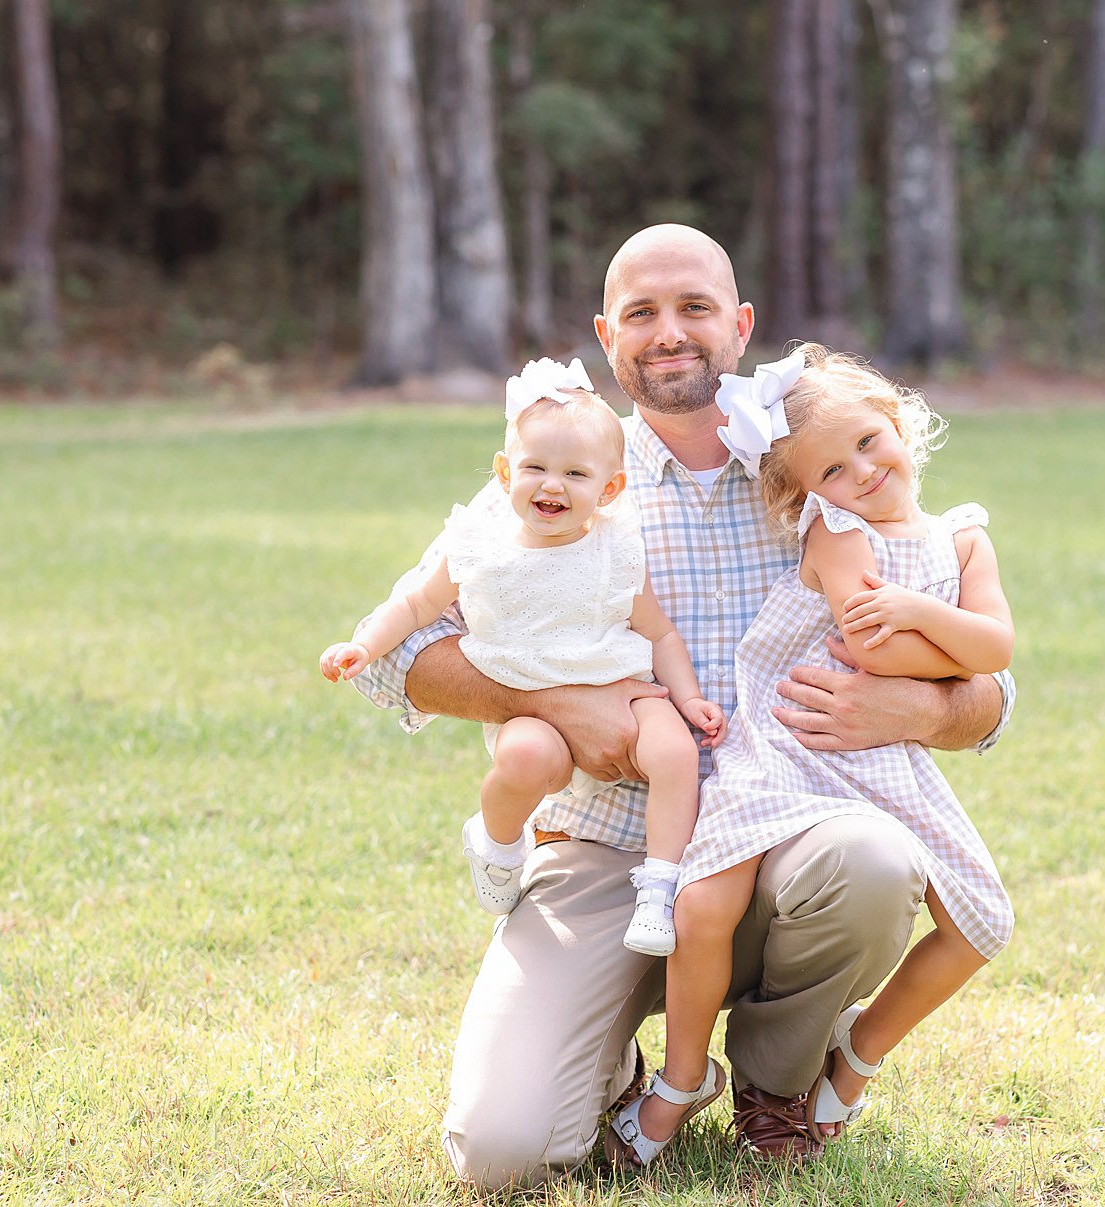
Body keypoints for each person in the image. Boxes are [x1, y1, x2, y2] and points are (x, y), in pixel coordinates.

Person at [349, 224, 1016, 1186]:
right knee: (503, 1155)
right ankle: (613, 1054)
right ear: (606, 336)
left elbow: (988, 685)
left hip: (789, 830)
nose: (670, 332)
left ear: (739, 326)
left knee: (871, 861)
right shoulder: (565, 468)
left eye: (694, 307)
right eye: (642, 313)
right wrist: (553, 703)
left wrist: (917, 711)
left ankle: (777, 1082)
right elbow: (403, 651)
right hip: (609, 843)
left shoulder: (813, 466)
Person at [605, 344, 1014, 1166]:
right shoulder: (836, 531)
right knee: (702, 904)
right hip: (785, 749)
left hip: (877, 754)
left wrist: (917, 620)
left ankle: (853, 1058)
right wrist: (944, 638)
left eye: (868, 441)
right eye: (831, 467)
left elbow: (998, 646)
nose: (860, 471)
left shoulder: (962, 538)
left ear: (896, 422)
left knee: (982, 923)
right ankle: (683, 1078)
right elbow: (872, 648)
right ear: (804, 494)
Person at [319, 358, 724, 955]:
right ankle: (499, 843)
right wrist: (363, 645)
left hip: (623, 687)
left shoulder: (617, 550)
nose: (552, 485)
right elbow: (412, 606)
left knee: (673, 751)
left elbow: (660, 634)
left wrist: (686, 699)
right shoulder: (480, 545)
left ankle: (658, 887)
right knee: (526, 758)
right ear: (505, 473)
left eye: (575, 473)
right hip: (529, 701)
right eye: (535, 467)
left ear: (608, 490)